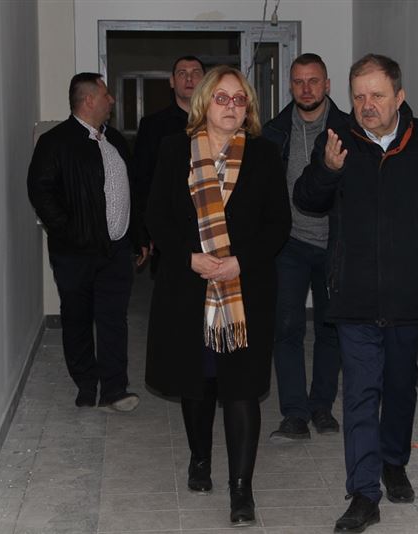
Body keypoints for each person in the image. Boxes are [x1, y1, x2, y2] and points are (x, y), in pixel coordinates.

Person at [294, 54, 418, 532]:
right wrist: (327, 170)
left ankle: (394, 462)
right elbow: (306, 199)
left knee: (399, 386)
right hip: (354, 296)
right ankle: (363, 494)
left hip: (409, 296)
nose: (366, 105)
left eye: (377, 95)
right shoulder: (337, 140)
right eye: (358, 96)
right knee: (359, 393)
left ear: (399, 96)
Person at [145, 66, 291, 527]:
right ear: (205, 102)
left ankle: (241, 490)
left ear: (249, 108)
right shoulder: (175, 150)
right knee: (199, 382)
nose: (231, 106)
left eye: (240, 99)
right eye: (222, 98)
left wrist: (239, 262)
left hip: (245, 290)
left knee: (242, 388)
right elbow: (157, 215)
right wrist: (189, 257)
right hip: (188, 288)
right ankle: (200, 458)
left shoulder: (265, 154)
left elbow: (278, 224)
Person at [27, 73, 149, 412]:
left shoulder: (116, 140)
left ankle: (114, 389)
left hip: (117, 249)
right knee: (77, 318)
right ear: (89, 99)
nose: (112, 101)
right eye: (106, 95)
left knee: (113, 319)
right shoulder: (55, 142)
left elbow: (131, 192)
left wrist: (139, 235)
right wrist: (68, 232)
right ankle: (86, 384)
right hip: (75, 252)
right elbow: (40, 190)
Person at [262, 53, 348, 442]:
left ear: (327, 85)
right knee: (287, 328)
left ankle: (321, 407)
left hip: (335, 245)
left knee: (331, 329)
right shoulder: (274, 132)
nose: (306, 88)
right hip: (290, 245)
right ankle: (294, 414)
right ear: (290, 86)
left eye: (314, 81)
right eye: (299, 81)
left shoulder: (349, 131)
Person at [133, 56, 205, 228]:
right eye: (182, 73)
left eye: (195, 73)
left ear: (206, 81)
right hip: (168, 221)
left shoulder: (218, 122)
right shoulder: (152, 125)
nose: (189, 79)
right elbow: (142, 179)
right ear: (172, 82)